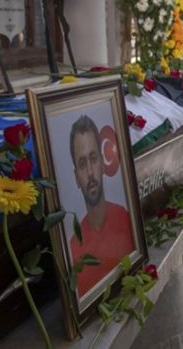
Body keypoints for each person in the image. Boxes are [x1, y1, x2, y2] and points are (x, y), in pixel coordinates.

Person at [68, 115, 135, 297]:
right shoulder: (74, 247)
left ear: (103, 164)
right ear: (76, 177)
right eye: (82, 164)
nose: (90, 172)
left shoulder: (126, 218)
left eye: (94, 158)